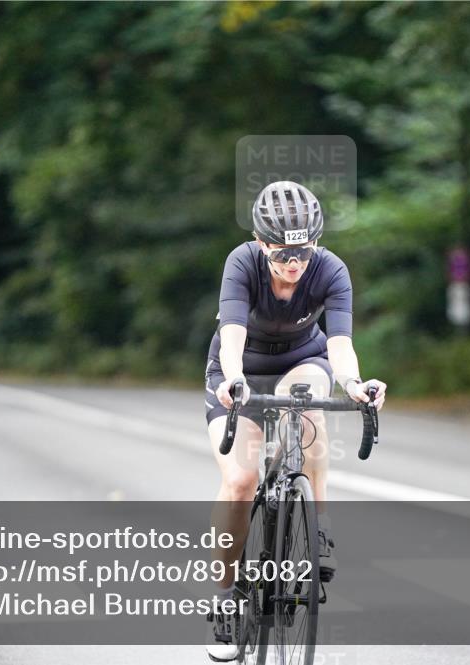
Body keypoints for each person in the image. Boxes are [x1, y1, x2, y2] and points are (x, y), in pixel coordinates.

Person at [204, 181, 386, 661]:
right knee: (241, 480)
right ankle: (225, 595)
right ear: (262, 243)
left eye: (303, 250)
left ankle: (316, 524)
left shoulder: (330, 270)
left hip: (303, 360)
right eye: (283, 251)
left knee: (307, 404)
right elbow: (232, 334)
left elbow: (340, 347)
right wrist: (236, 380)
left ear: (317, 244)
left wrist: (355, 385)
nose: (294, 262)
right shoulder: (241, 263)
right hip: (240, 368)